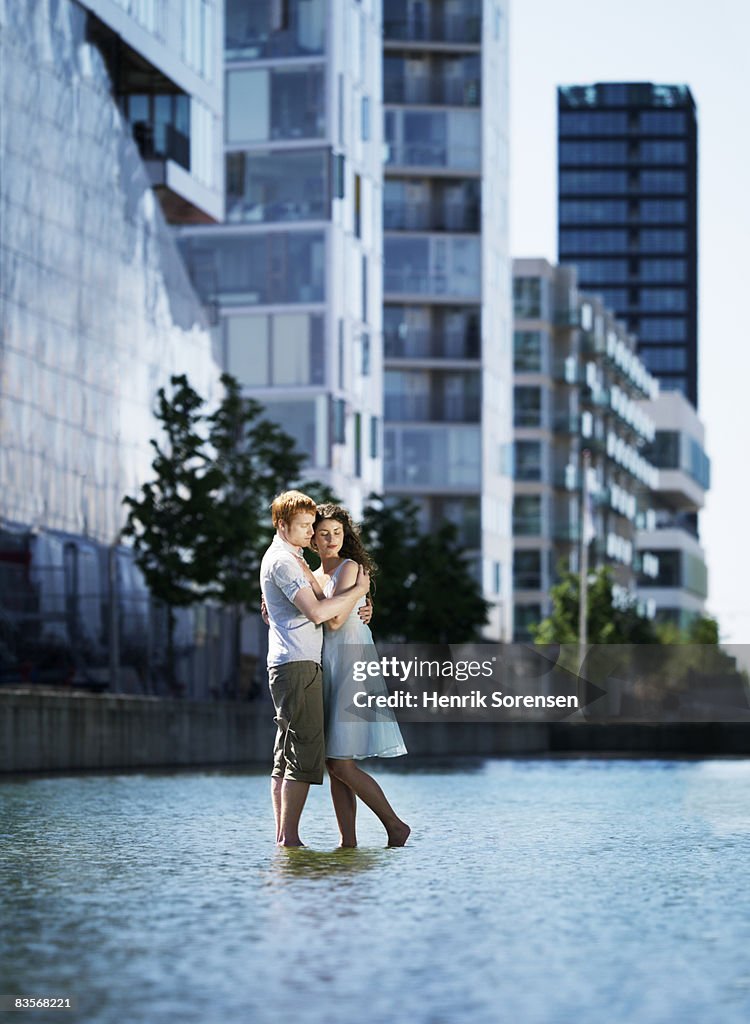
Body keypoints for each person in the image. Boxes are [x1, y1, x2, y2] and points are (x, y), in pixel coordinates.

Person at [260, 490, 370, 848]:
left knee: (287, 755)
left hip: (301, 662)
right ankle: (290, 840)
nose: (312, 534)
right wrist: (360, 592)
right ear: (282, 525)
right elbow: (322, 614)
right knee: (304, 754)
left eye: (314, 526)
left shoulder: (296, 561)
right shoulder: (284, 562)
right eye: (307, 527)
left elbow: (326, 606)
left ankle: (285, 838)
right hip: (297, 663)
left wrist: (363, 605)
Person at [304, 503, 410, 848]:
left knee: (339, 762)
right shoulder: (314, 576)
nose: (332, 539)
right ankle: (347, 842)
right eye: (324, 534)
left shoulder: (351, 568)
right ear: (312, 539)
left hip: (350, 665)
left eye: (337, 532)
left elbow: (333, 621)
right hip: (328, 664)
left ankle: (395, 825)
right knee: (337, 761)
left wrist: (357, 595)